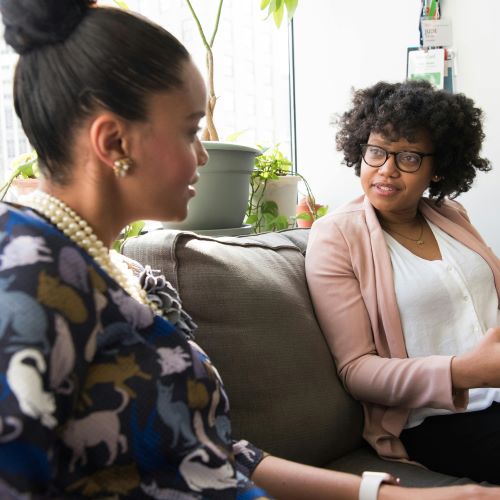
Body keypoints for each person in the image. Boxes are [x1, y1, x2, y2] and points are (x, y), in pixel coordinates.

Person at [0, 2, 498, 498]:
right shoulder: (24, 274)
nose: (203, 154)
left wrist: (398, 495)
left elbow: (212, 453)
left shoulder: (139, 281)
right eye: (192, 129)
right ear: (114, 142)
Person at [305, 79, 500, 485]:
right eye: (376, 152)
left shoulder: (452, 216)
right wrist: (466, 373)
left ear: (438, 165)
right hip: (436, 422)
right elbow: (357, 370)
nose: (386, 170)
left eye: (409, 156)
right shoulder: (336, 236)